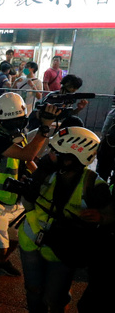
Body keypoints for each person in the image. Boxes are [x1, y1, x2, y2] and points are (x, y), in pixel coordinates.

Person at [0, 93, 60, 310]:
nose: (19, 125)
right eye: (15, 121)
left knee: (17, 237)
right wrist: (44, 128)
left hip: (12, 199)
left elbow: (27, 162)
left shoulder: (13, 134)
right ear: (5, 120)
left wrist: (44, 182)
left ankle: (2, 261)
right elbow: (27, 155)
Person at [17, 127, 111, 313]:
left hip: (64, 249)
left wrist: (102, 217)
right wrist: (36, 179)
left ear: (73, 158)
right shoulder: (47, 170)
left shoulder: (94, 185)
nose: (49, 155)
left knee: (54, 298)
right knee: (33, 290)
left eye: (56, 152)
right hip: (31, 240)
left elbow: (111, 216)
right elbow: (27, 203)